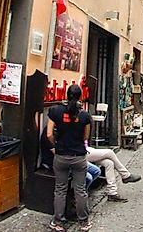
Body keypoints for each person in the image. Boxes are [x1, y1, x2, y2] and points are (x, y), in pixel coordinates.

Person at [47, 84, 92, 232]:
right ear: (80, 96)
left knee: (60, 189)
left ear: (67, 94)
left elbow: (48, 134)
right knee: (80, 190)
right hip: (78, 156)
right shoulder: (85, 115)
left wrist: (56, 145)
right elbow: (86, 137)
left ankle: (58, 222)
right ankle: (84, 223)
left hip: (61, 156)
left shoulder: (55, 111)